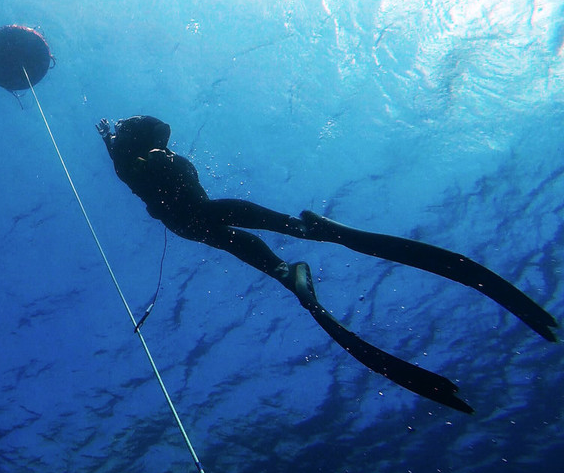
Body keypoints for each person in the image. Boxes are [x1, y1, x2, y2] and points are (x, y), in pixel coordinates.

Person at [97, 115, 558, 413]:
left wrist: (112, 139)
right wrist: (119, 142)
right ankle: (302, 232)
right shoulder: (140, 159)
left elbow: (137, 165)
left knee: (234, 238)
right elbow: (147, 166)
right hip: (197, 215)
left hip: (189, 223)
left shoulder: (132, 157)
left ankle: (284, 269)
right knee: (236, 226)